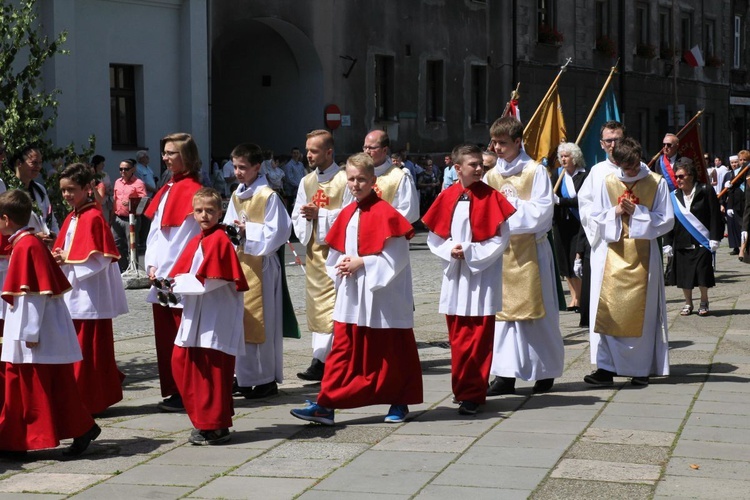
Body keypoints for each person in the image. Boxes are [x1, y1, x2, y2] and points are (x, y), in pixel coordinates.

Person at [290, 152, 422, 425]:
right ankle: (326, 405)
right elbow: (336, 252)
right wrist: (340, 266)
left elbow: (397, 257)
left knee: (391, 352)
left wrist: (363, 262)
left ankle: (399, 401)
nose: (355, 185)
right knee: (342, 350)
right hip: (352, 294)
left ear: (373, 181)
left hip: (383, 296)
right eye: (351, 179)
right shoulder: (348, 212)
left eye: (361, 179)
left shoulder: (387, 213)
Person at [0, 189, 101, 458]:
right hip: (33, 329)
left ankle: (26, 439)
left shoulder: (26, 246)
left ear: (6, 219)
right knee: (49, 384)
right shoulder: (27, 242)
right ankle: (21, 438)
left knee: (35, 386)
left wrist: (29, 333)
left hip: (35, 332)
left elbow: (33, 294)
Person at [422, 144, 515, 414]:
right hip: (454, 275)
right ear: (457, 168)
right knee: (458, 335)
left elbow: (501, 238)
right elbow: (434, 237)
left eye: (480, 164)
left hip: (481, 275)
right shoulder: (447, 196)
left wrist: (472, 252)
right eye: (472, 164)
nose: (478, 168)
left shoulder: (493, 197)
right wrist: (449, 249)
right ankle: (461, 388)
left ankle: (474, 393)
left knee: (479, 336)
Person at [583, 137, 673, 387]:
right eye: (626, 168)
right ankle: (606, 368)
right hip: (613, 252)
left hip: (644, 254)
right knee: (609, 308)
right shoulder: (609, 181)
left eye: (634, 166)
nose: (631, 172)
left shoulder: (656, 182)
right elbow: (597, 216)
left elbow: (666, 220)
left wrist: (639, 213)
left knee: (641, 312)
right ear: (617, 163)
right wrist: (616, 212)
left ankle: (640, 368)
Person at [484, 116, 564, 395]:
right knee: (502, 317)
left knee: (537, 316)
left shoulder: (535, 171)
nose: (496, 148)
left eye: (503, 143)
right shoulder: (491, 175)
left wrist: (507, 208)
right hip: (502, 253)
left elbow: (542, 214)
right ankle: (505, 375)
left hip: (532, 251)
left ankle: (545, 372)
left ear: (518, 142)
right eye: (494, 142)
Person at [169, 188, 249, 445]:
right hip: (197, 315)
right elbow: (186, 273)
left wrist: (176, 285)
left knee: (212, 371)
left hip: (216, 317)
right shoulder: (199, 239)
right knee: (184, 364)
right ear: (193, 213)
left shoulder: (219, 240)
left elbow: (213, 279)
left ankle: (215, 425)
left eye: (210, 211)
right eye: (199, 210)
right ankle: (205, 421)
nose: (204, 215)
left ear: (220, 212)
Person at [52, 163, 128, 415]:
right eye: (63, 191)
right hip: (76, 291)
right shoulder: (74, 215)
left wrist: (66, 256)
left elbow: (101, 257)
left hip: (90, 295)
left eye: (71, 190)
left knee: (90, 350)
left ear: (87, 188)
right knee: (82, 348)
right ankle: (86, 397)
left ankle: (90, 400)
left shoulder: (93, 216)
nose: (66, 196)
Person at [223, 143, 292, 399]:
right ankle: (243, 376)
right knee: (242, 321)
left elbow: (281, 232)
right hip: (241, 262)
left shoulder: (268, 196)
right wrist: (233, 232)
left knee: (263, 321)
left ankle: (264, 379)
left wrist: (246, 232)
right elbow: (230, 225)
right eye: (235, 166)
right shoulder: (236, 195)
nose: (238, 172)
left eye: (243, 167)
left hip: (262, 265)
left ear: (257, 167)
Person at [143, 133, 204, 412]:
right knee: (166, 337)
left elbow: (187, 238)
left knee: (183, 336)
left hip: (178, 274)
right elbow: (156, 231)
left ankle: (187, 390)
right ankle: (173, 388)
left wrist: (169, 270)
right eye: (165, 153)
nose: (165, 158)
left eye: (171, 153)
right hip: (162, 272)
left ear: (187, 156)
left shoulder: (193, 190)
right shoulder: (167, 187)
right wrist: (151, 264)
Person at [292, 130, 348, 381]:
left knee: (335, 306)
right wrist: (306, 216)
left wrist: (322, 215)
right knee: (317, 306)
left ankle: (329, 359)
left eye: (313, 151)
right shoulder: (307, 181)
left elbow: (351, 215)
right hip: (315, 253)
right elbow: (296, 214)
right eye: (307, 150)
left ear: (329, 152)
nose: (308, 155)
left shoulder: (346, 179)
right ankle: (319, 357)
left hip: (338, 254)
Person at [577, 120, 627, 340]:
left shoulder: (638, 169)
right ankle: (605, 358)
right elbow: (585, 205)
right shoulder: (596, 172)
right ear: (601, 144)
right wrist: (606, 218)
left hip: (633, 243)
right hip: (604, 243)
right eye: (609, 140)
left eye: (618, 139)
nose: (613, 145)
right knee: (602, 297)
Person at [663, 158, 722, 317]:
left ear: (691, 175)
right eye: (676, 177)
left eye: (681, 176)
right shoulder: (673, 196)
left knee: (703, 274)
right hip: (682, 242)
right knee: (685, 276)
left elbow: (715, 216)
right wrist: (667, 242)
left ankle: (704, 301)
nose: (678, 180)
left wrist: (715, 237)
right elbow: (669, 220)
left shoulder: (706, 190)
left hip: (702, 241)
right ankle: (688, 303)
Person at [551, 143, 588, 312]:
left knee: (575, 260)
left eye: (567, 156)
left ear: (575, 157)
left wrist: (560, 201)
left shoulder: (584, 176)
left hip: (577, 223)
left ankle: (579, 298)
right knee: (564, 261)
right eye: (562, 156)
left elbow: (582, 200)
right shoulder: (557, 176)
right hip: (561, 223)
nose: (563, 159)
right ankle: (573, 297)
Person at [361, 130, 420, 223]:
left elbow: (410, 212)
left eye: (371, 148)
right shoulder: (359, 174)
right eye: (365, 147)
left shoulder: (400, 177)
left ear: (384, 150)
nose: (366, 152)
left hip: (387, 233)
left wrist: (379, 220)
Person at [12, 145, 58, 246]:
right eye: (34, 163)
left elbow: (51, 219)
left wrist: (55, 237)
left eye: (40, 163)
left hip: (43, 248)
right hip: (22, 248)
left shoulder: (40, 189)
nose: (38, 167)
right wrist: (34, 236)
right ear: (19, 163)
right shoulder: (9, 191)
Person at [112, 159, 148, 272]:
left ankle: (133, 270)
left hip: (131, 219)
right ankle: (122, 268)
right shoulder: (117, 182)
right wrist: (112, 216)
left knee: (131, 246)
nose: (123, 171)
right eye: (121, 169)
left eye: (126, 169)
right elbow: (115, 199)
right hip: (118, 218)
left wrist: (131, 202)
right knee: (116, 244)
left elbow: (144, 201)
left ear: (133, 169)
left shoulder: (138, 183)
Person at [723, 151, 746, 255]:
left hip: (744, 201)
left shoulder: (744, 171)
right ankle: (736, 247)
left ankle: (745, 247)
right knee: (733, 226)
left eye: (736, 162)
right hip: (732, 203)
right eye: (732, 163)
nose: (735, 164)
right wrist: (723, 204)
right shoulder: (729, 174)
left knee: (744, 226)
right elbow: (726, 191)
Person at [282, 147, 306, 212]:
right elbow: (289, 179)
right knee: (291, 210)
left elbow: (304, 176)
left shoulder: (301, 165)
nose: (296, 155)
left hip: (300, 191)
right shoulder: (288, 165)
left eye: (297, 153)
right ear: (291, 154)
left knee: (300, 209)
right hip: (292, 192)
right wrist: (299, 185)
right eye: (294, 153)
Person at [91, 155, 113, 224]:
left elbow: (109, 185)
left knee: (105, 220)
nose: (103, 165)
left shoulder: (105, 174)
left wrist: (110, 189)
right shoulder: (92, 174)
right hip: (97, 201)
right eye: (101, 163)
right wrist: (104, 190)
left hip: (106, 201)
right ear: (97, 164)